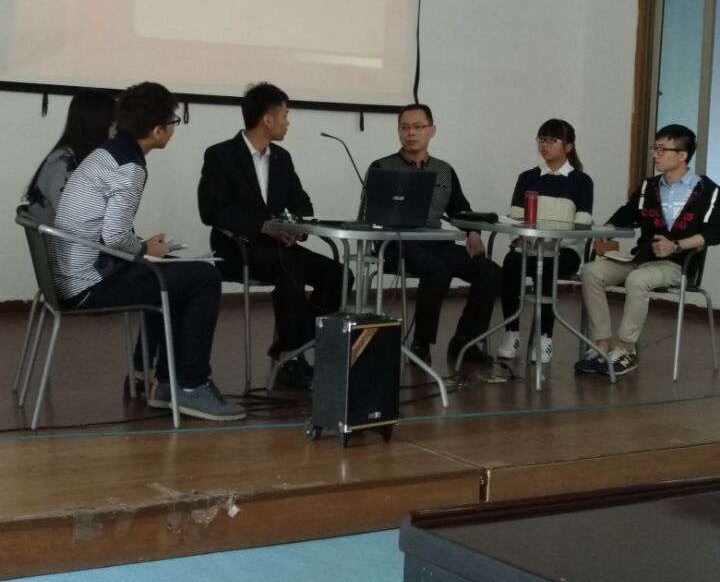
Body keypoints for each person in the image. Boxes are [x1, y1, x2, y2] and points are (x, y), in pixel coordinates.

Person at [54, 81, 244, 421]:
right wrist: (143, 247)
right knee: (204, 277)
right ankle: (191, 386)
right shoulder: (129, 167)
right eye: (173, 122)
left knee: (172, 272)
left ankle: (166, 382)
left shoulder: (107, 152)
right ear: (157, 131)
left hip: (74, 275)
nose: (173, 128)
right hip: (89, 283)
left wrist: (146, 250)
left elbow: (108, 231)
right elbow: (114, 236)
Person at [197, 82, 345, 391]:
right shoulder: (221, 155)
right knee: (289, 269)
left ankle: (291, 347)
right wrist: (264, 227)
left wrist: (294, 227)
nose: (288, 122)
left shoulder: (282, 158)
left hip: (281, 247)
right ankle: (292, 357)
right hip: (238, 247)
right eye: (285, 115)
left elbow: (301, 202)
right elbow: (211, 211)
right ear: (267, 119)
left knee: (339, 275)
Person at [576, 124, 720, 377]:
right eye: (655, 148)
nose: (656, 154)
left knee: (637, 279)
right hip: (640, 258)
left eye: (662, 149)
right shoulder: (649, 187)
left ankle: (627, 349)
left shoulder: (708, 191)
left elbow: (714, 233)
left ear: (682, 155)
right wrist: (605, 232)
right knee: (591, 272)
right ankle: (601, 345)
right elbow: (625, 215)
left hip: (678, 265)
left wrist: (676, 245)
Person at [368, 103, 502, 367]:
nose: (411, 133)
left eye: (418, 127)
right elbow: (369, 213)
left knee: (490, 272)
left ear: (432, 131)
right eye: (404, 127)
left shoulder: (444, 170)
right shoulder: (383, 167)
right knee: (437, 269)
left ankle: (465, 340)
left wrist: (474, 232)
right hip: (396, 244)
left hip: (436, 243)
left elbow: (461, 210)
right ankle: (421, 342)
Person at [497, 119, 593, 365]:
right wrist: (523, 241)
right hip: (529, 248)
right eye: (542, 139)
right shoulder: (527, 177)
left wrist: (551, 243)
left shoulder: (581, 181)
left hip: (564, 251)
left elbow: (581, 226)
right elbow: (514, 219)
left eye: (552, 140)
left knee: (548, 264)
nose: (545, 145)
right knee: (511, 262)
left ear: (568, 146)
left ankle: (545, 337)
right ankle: (511, 333)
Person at [26, 89, 117, 225]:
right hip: (67, 239)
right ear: (95, 126)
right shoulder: (61, 165)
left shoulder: (81, 161)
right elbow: (77, 224)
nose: (117, 131)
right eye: (112, 124)